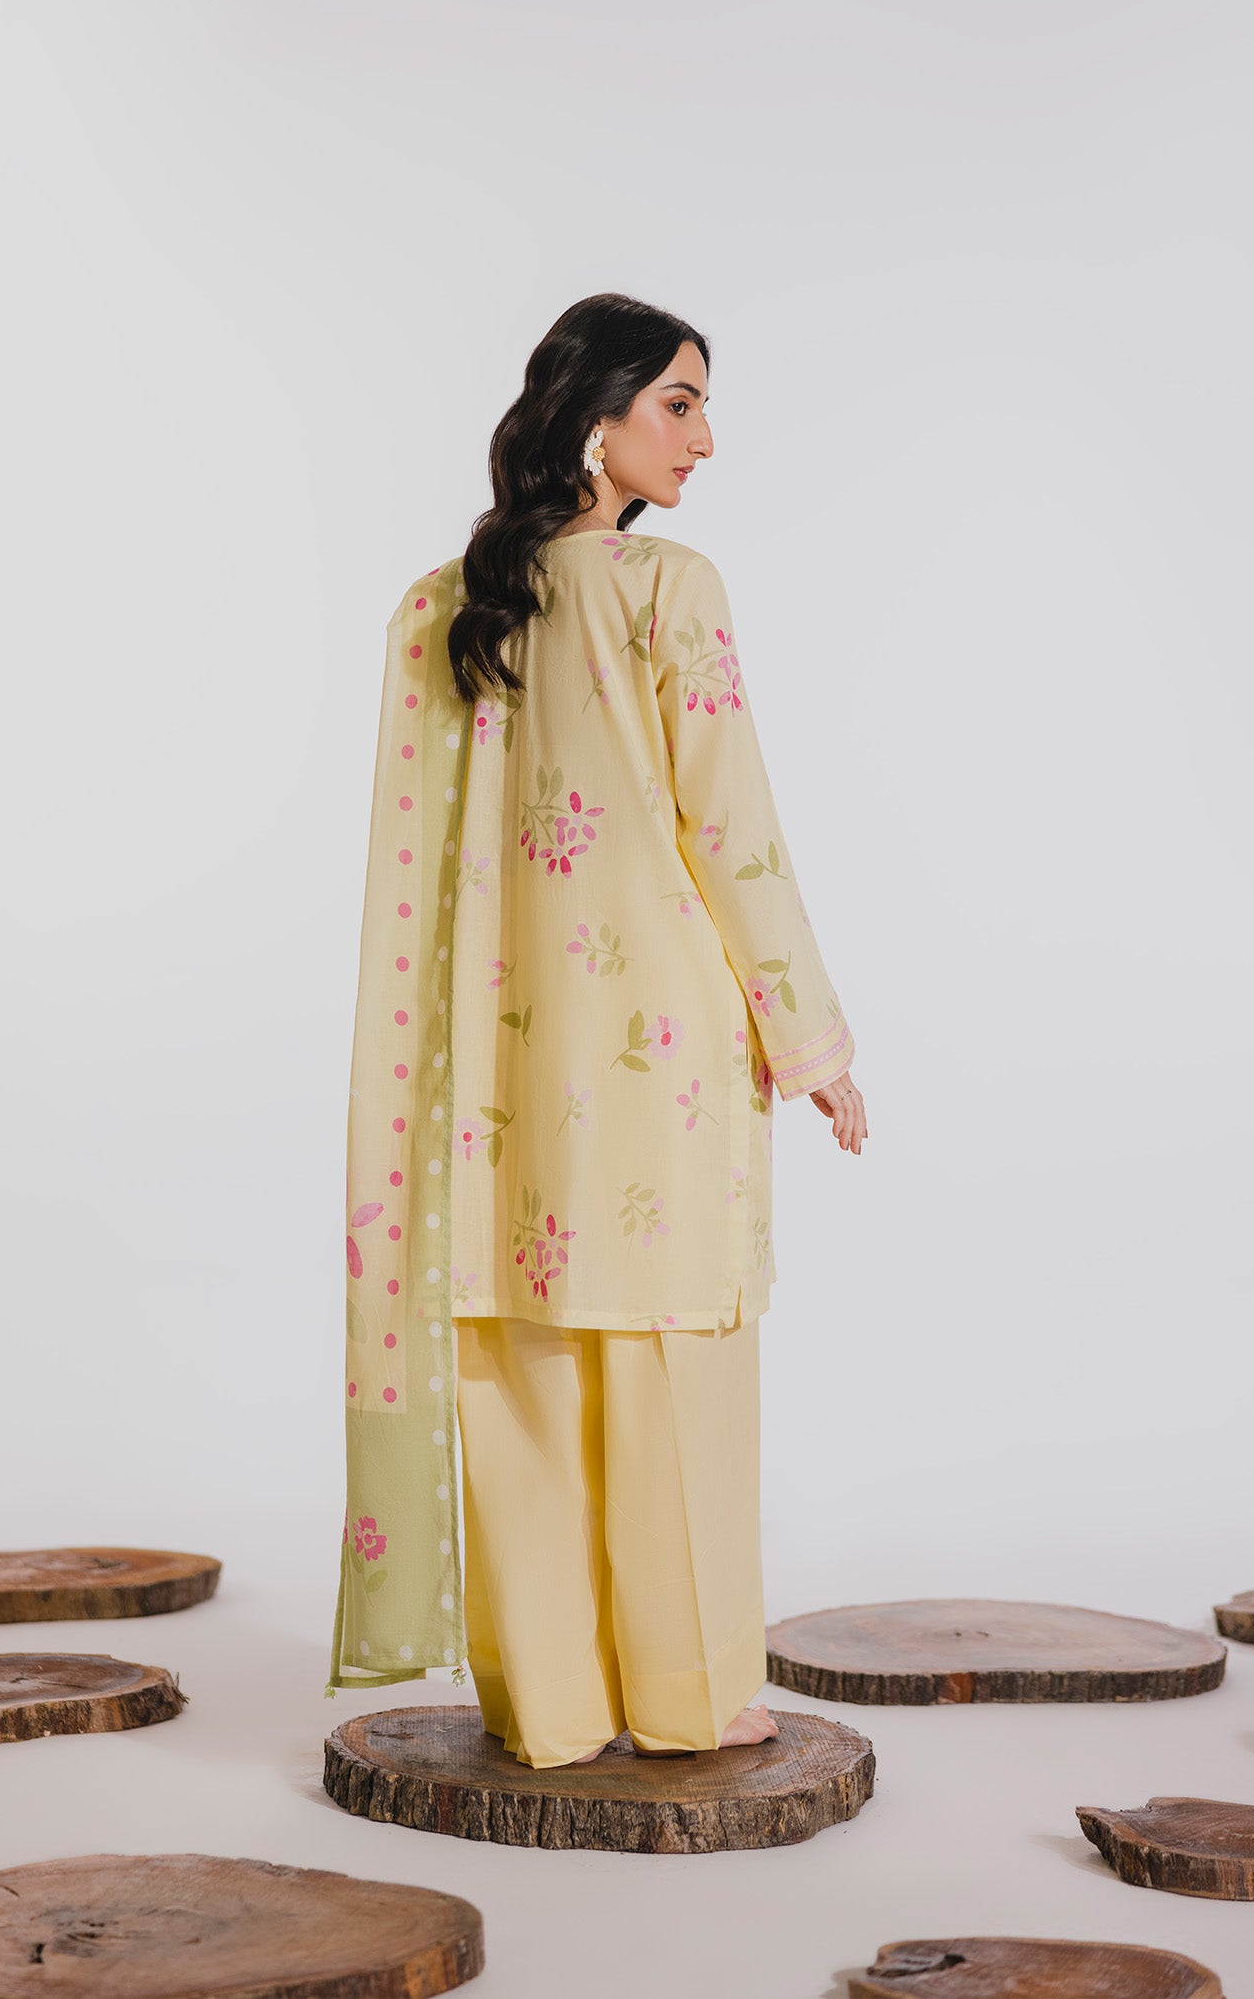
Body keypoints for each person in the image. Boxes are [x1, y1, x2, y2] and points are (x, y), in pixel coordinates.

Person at [326, 293, 867, 1771]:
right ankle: (690, 1699)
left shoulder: (443, 608)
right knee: (673, 1362)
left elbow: (417, 868)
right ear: (596, 417)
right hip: (659, 1051)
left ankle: (549, 1709)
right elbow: (731, 827)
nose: (706, 438)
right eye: (680, 404)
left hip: (497, 1057)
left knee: (522, 1360)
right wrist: (811, 1039)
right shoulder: (667, 589)